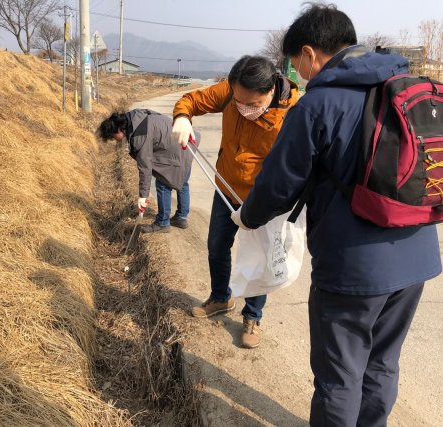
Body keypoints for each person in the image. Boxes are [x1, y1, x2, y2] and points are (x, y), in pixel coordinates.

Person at [232, 4, 441, 425]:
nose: (296, 72)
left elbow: (278, 185)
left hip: (353, 269)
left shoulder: (318, 104)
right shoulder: (407, 85)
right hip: (417, 257)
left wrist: (247, 217)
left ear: (308, 54)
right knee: (382, 364)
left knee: (339, 376)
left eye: (295, 63)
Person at [171, 56, 300, 348]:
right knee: (217, 246)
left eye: (253, 105)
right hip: (225, 187)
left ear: (270, 91)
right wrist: (182, 116)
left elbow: (296, 168)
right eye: (238, 102)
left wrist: (274, 203)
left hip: (263, 199)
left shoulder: (294, 113)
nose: (244, 109)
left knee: (258, 259)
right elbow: (192, 100)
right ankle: (220, 298)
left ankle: (253, 316)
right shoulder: (232, 90)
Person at [98, 109, 197, 233]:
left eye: (113, 137)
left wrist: (143, 196)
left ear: (118, 130)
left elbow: (145, 168)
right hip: (185, 141)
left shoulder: (139, 135)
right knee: (182, 181)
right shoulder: (136, 116)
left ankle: (163, 223)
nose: (115, 140)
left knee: (163, 182)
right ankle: (181, 217)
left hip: (176, 148)